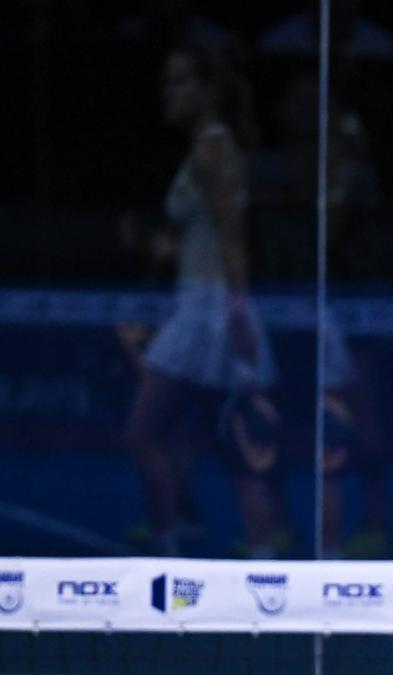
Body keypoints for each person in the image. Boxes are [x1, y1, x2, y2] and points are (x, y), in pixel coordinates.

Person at [126, 41, 281, 558]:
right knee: (221, 440)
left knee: (148, 432)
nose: (169, 93)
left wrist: (236, 312)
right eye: (168, 81)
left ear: (208, 90)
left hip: (213, 310)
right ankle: (227, 544)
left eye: (181, 81)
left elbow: (233, 234)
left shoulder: (214, 144)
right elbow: (208, 234)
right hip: (202, 304)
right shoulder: (207, 145)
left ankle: (172, 550)